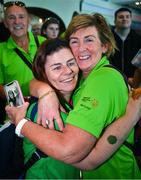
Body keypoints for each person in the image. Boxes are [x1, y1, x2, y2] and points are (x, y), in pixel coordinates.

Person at [6, 14, 141, 179]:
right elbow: (34, 81)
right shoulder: (84, 80)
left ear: (104, 46)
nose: (81, 48)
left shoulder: (102, 79)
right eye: (74, 41)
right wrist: (44, 91)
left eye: (89, 40)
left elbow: (72, 152)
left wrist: (21, 124)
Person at [22, 39, 80, 179]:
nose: (68, 71)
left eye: (71, 63)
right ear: (43, 73)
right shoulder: (45, 111)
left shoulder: (76, 98)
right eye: (57, 67)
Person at [0, 1, 45, 121]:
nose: (17, 22)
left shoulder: (44, 43)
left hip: (46, 108)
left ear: (28, 20)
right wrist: (17, 100)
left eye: (21, 17)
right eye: (11, 17)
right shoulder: (1, 50)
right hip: (17, 115)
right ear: (5, 23)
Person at [110, 7, 141, 85]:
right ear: (114, 20)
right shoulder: (108, 39)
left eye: (127, 17)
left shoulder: (138, 39)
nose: (124, 19)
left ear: (131, 19)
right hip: (112, 80)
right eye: (121, 17)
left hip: (133, 82)